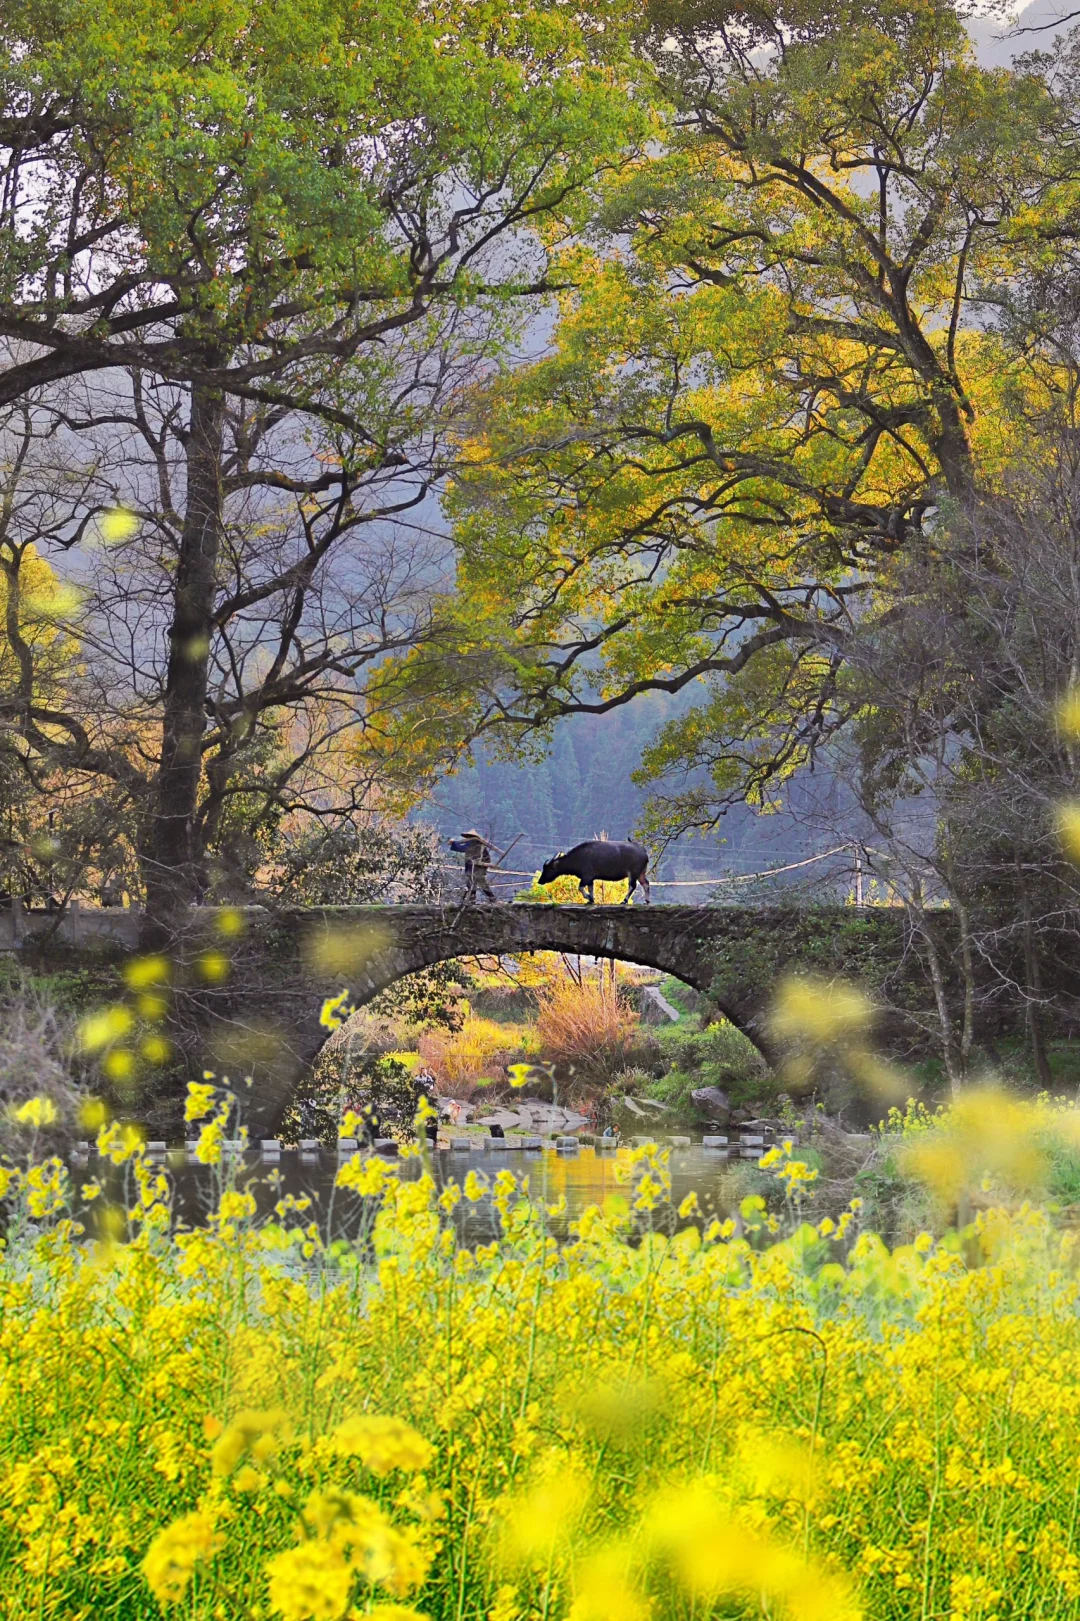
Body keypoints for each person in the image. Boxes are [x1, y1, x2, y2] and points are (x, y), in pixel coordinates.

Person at [448, 829, 502, 903]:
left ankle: (490, 899)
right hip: (473, 865)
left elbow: (462, 848)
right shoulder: (476, 843)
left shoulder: (474, 843)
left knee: (476, 881)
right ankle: (474, 899)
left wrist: (453, 843)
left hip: (477, 866)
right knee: (473, 882)